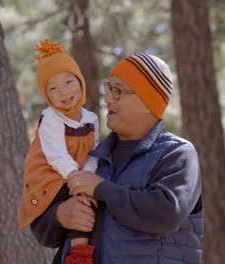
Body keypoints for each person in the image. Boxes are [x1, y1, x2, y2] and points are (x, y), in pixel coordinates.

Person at [31, 52, 204, 264]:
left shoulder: (177, 154)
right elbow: (43, 231)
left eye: (118, 91)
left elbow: (165, 214)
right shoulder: (90, 158)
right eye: (109, 88)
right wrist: (59, 215)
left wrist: (101, 189)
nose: (108, 98)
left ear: (147, 101)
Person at [18, 39, 99, 264]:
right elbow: (56, 156)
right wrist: (77, 178)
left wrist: (87, 174)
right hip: (50, 178)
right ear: (47, 96)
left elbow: (94, 152)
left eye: (68, 81)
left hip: (76, 176)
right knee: (79, 200)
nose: (63, 92)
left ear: (80, 81)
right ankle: (78, 256)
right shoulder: (51, 119)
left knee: (88, 200)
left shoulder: (91, 119)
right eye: (52, 88)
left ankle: (79, 252)